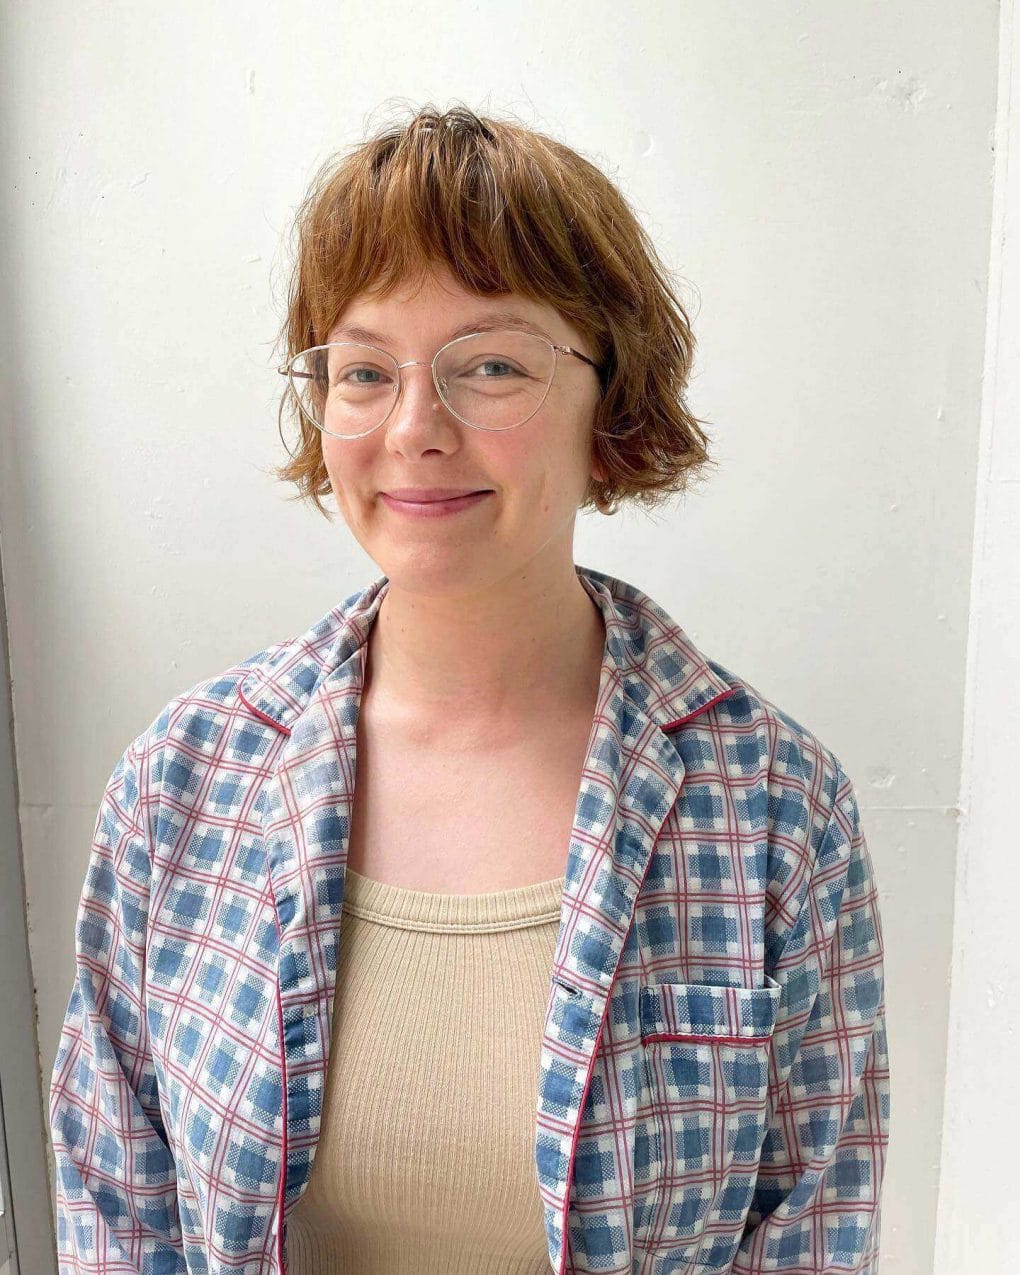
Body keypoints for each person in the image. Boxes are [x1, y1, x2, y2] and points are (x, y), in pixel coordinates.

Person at [48, 103, 890, 1275]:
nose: (414, 428)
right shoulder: (184, 781)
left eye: (489, 364)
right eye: (363, 370)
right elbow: (116, 1207)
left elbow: (816, 1227)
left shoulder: (771, 803)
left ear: (613, 401)